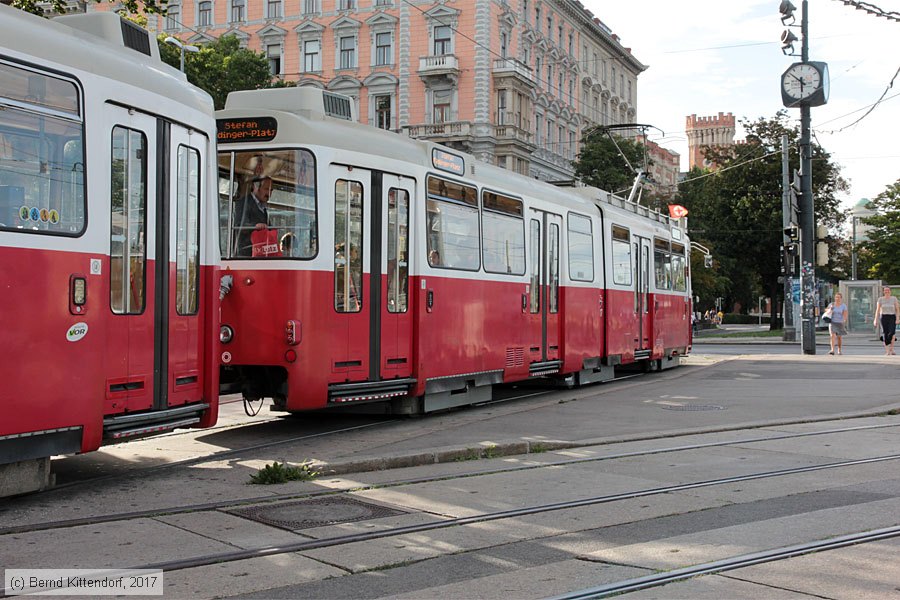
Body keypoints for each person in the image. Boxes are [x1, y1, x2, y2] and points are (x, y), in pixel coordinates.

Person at [231, 176, 273, 256]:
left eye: (271, 190)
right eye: (266, 189)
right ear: (255, 187)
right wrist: (255, 226)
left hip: (260, 252)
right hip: (245, 254)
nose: (269, 194)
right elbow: (239, 224)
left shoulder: (262, 207)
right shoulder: (244, 202)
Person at [874, 286, 899, 356]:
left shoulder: (894, 299)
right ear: (883, 292)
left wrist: (897, 318)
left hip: (892, 316)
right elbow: (878, 310)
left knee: (892, 333)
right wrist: (875, 319)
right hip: (884, 317)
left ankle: (891, 348)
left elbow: (897, 309)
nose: (887, 292)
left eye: (888, 290)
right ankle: (887, 350)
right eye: (885, 290)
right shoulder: (880, 299)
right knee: (885, 333)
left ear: (890, 291)